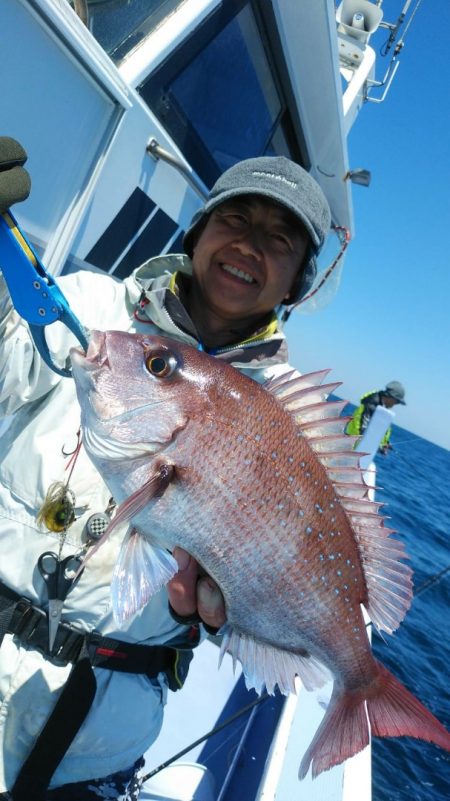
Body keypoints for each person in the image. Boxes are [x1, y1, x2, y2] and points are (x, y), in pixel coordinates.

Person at [0, 137, 331, 799]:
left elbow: (269, 568)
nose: (249, 244)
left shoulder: (290, 419)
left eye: (280, 237)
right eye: (236, 218)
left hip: (93, 738)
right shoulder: (92, 311)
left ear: (296, 282)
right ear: (199, 229)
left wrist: (219, 611)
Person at [346, 381, 406, 455]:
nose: (395, 404)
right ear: (391, 397)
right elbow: (362, 430)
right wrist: (378, 447)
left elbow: (381, 429)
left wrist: (385, 443)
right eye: (397, 402)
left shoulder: (382, 407)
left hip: (358, 449)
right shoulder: (370, 404)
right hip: (351, 446)